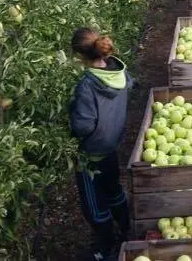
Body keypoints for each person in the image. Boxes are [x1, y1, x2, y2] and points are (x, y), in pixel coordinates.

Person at [68, 28, 133, 261]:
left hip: (90, 155)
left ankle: (106, 247)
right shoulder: (118, 72)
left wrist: (71, 112)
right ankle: (127, 227)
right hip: (111, 144)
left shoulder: (87, 85)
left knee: (94, 205)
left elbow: (84, 125)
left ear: (79, 57)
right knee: (114, 188)